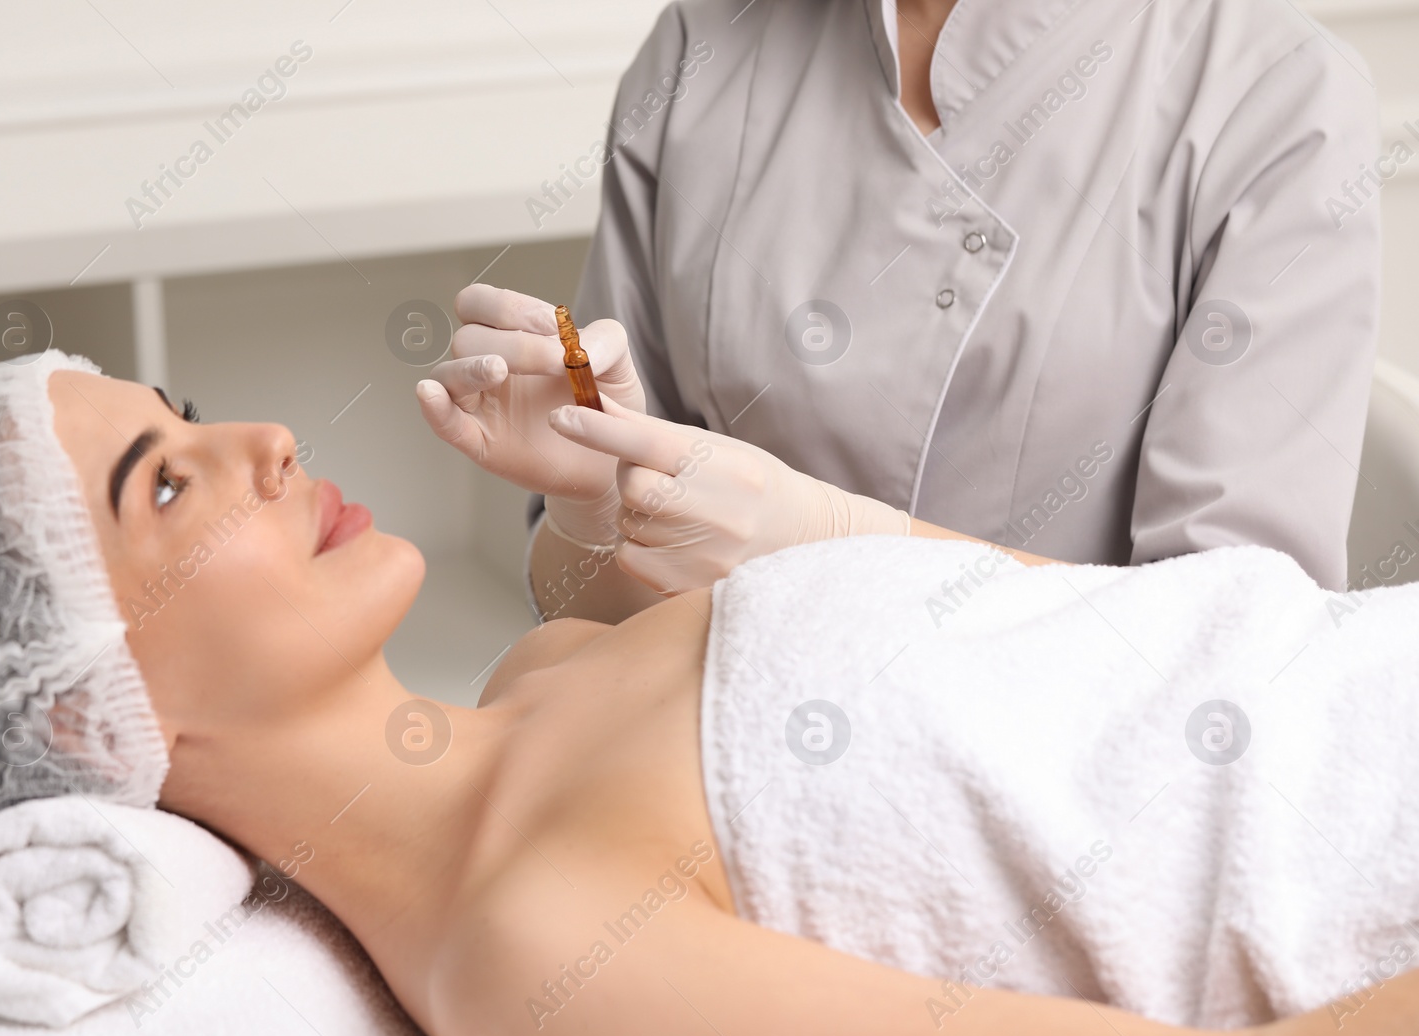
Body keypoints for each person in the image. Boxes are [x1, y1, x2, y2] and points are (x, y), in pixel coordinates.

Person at [0, 354, 1417, 1036]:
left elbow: (1106, 642)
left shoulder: (549, 668)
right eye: (166, 483)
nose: (266, 436)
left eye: (183, 412)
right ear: (95, 722)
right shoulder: (533, 948)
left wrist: (610, 468)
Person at [424, 0, 1382, 621]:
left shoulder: (1277, 97)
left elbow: (1233, 656)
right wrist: (588, 511)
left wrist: (834, 546)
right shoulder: (702, 43)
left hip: (1052, 817)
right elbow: (597, 625)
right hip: (697, 773)